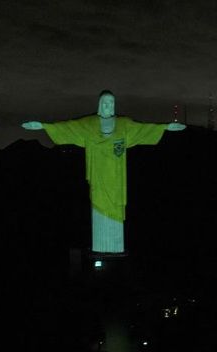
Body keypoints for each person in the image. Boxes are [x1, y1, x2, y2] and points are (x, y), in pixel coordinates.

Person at [22, 90, 185, 253]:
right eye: (106, 103)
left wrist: (166, 127)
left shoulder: (124, 124)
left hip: (116, 178)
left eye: (112, 102)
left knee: (115, 207)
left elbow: (144, 129)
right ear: (100, 105)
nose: (109, 106)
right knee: (98, 205)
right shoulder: (89, 124)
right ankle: (100, 247)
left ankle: (115, 248)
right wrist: (43, 126)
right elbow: (68, 128)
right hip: (98, 175)